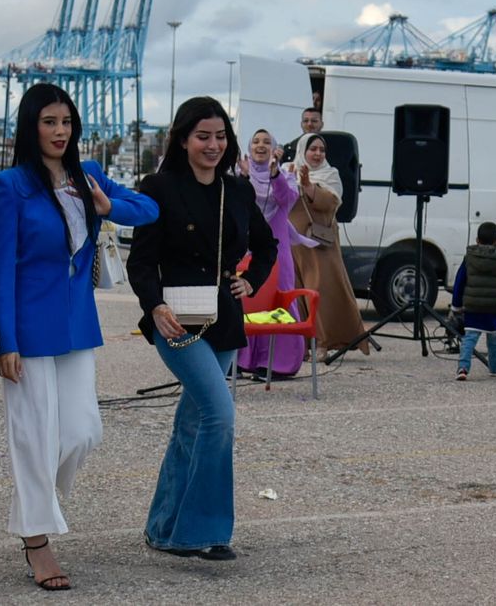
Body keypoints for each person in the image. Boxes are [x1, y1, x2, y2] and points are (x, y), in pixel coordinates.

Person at [0, 83, 159, 591]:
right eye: (49, 122)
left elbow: (147, 210)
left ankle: (33, 505)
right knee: (33, 437)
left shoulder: (89, 177)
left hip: (78, 325)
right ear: (30, 127)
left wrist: (108, 208)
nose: (60, 132)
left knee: (83, 432)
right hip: (28, 329)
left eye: (66, 122)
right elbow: (0, 269)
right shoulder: (10, 185)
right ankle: (38, 542)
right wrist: (5, 342)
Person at [126, 96, 276, 562]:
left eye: (220, 136)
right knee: (219, 414)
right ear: (183, 139)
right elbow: (141, 261)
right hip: (176, 320)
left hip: (224, 319)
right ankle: (202, 531)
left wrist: (250, 280)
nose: (213, 145)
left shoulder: (239, 190)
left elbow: (266, 245)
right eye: (202, 136)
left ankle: (163, 528)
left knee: (192, 424)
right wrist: (153, 306)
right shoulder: (158, 187)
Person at [287, 133, 369, 354]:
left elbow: (330, 203)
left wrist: (309, 187)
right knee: (296, 294)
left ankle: (324, 342)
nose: (317, 154)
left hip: (319, 246)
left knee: (320, 293)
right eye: (312, 149)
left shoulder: (330, 174)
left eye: (321, 150)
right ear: (302, 151)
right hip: (293, 246)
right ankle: (300, 346)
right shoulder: (289, 170)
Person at [235, 129, 304, 379]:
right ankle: (243, 360)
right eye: (255, 141)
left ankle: (280, 362)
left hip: (277, 249)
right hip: (245, 247)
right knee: (244, 299)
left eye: (266, 142)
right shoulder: (239, 174)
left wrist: (275, 173)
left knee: (279, 299)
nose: (260, 145)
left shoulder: (286, 175)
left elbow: (286, 200)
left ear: (275, 148)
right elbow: (236, 202)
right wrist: (243, 176)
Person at [450, 221, 496, 380]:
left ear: (477, 240)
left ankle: (463, 368)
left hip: (473, 306)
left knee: (469, 338)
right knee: (494, 339)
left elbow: (460, 282)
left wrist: (456, 305)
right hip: (493, 307)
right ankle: (494, 368)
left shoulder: (469, 259)